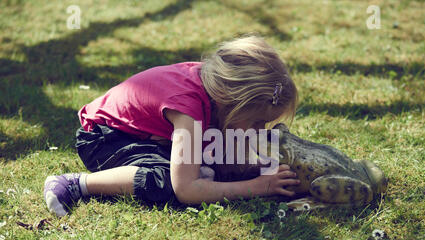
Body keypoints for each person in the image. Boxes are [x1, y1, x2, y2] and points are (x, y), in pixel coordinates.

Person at [43, 35, 301, 217]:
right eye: (256, 122)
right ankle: (76, 184)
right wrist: (255, 187)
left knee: (213, 163)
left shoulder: (216, 87)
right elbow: (186, 190)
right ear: (232, 101)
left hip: (144, 135)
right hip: (103, 139)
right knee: (166, 181)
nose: (258, 131)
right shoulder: (187, 109)